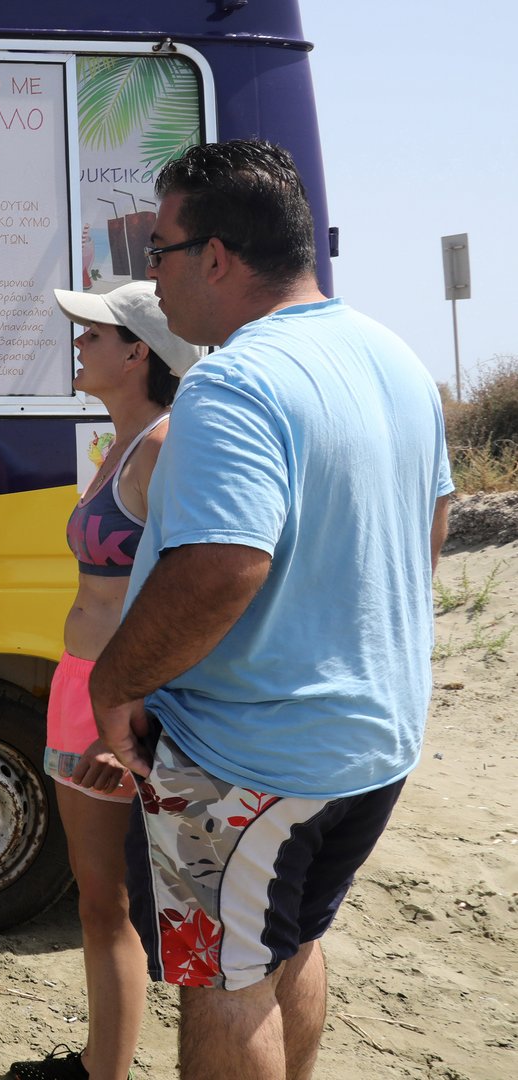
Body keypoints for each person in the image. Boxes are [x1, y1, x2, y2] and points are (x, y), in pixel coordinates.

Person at [88, 139, 453, 1080]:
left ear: (216, 256)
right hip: (370, 745)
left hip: (250, 759)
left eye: (159, 250)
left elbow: (222, 569)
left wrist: (118, 682)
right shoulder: (394, 357)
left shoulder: (235, 381)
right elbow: (432, 522)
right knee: (287, 941)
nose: (153, 277)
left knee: (225, 981)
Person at [7, 281, 201, 1080]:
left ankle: (108, 1071)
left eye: (94, 335)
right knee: (97, 896)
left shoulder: (162, 449)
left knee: (124, 899)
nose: (79, 346)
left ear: (139, 353)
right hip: (78, 687)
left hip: (123, 700)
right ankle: (100, 1063)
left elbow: (190, 594)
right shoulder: (118, 444)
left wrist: (136, 726)